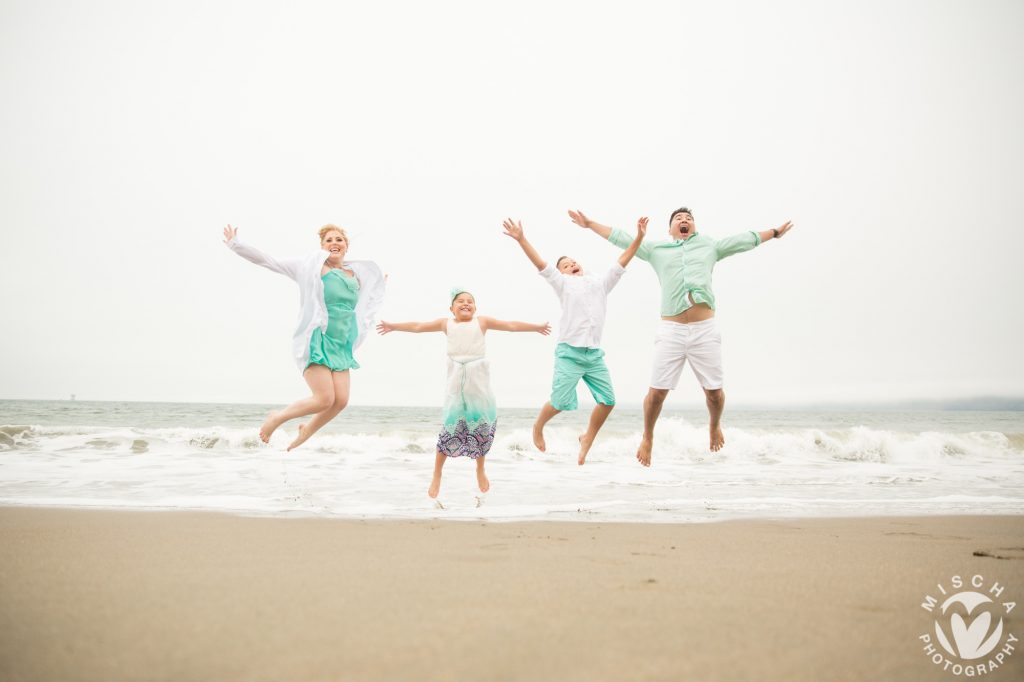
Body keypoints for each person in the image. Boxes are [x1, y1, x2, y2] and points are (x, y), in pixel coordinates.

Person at [568, 207, 793, 466]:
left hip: (705, 329)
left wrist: (774, 233)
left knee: (714, 393)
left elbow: (744, 240)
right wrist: (590, 224)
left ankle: (714, 425)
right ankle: (648, 437)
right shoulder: (656, 251)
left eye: (689, 219)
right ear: (670, 229)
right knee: (656, 394)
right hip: (671, 330)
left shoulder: (710, 246)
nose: (684, 221)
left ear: (693, 226)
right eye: (678, 219)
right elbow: (621, 238)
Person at [222, 224, 385, 450]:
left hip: (341, 344)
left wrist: (378, 283)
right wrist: (235, 244)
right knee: (323, 399)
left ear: (347, 246)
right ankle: (276, 418)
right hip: (318, 339)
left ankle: (306, 431)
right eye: (329, 240)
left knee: (340, 401)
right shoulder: (311, 268)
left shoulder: (355, 274)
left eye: (339, 239)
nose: (334, 243)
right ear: (322, 246)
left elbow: (365, 302)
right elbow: (270, 261)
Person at [376, 290, 550, 499]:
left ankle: (480, 469)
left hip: (478, 383)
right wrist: (393, 326)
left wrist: (537, 328)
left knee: (481, 429)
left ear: (475, 308)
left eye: (470, 302)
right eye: (460, 301)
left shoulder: (482, 322)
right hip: (456, 382)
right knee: (449, 429)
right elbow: (418, 327)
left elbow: (510, 326)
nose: (465, 304)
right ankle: (437, 474)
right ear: (452, 308)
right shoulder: (445, 324)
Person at [501, 216, 646, 464]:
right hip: (569, 352)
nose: (572, 265)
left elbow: (621, 261)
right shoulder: (563, 284)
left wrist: (639, 238)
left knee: (608, 401)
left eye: (573, 262)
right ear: (561, 274)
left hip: (593, 355)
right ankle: (538, 426)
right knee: (560, 402)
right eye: (566, 265)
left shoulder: (599, 283)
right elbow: (541, 264)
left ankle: (588, 436)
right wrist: (522, 239)